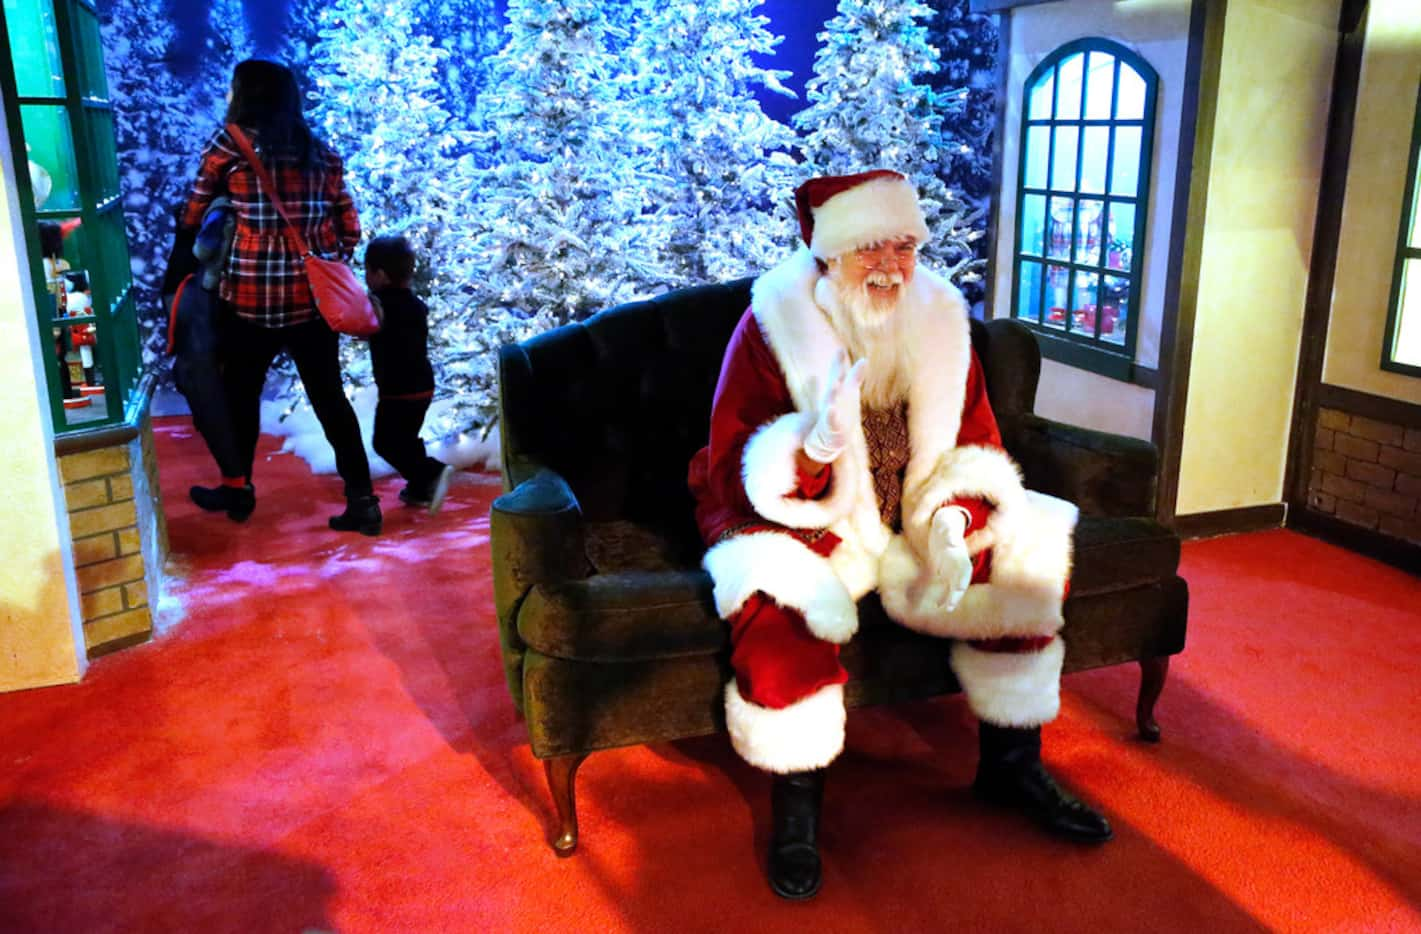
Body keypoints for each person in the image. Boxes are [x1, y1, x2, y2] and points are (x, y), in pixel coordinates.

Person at [688, 170, 1111, 901]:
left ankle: (1011, 765)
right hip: (806, 513)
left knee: (1028, 554)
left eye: (904, 245)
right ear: (826, 255)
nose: (890, 264)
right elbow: (732, 464)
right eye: (868, 248)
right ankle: (797, 802)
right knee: (779, 599)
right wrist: (810, 453)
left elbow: (975, 442)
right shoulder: (769, 323)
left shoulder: (942, 318)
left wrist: (952, 523)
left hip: (914, 512)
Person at [176, 59, 380, 535]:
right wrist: (318, 258)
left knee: (239, 399)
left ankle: (237, 489)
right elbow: (350, 229)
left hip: (248, 301)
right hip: (311, 304)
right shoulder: (322, 154)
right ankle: (364, 502)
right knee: (331, 401)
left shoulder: (232, 142)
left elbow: (194, 207)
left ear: (246, 94)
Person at [363, 235, 454, 513]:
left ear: (380, 275)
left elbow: (361, 321)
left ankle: (431, 473)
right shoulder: (414, 303)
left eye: (367, 271)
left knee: (385, 442)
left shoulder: (380, 305)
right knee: (406, 438)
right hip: (422, 386)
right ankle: (419, 487)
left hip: (398, 390)